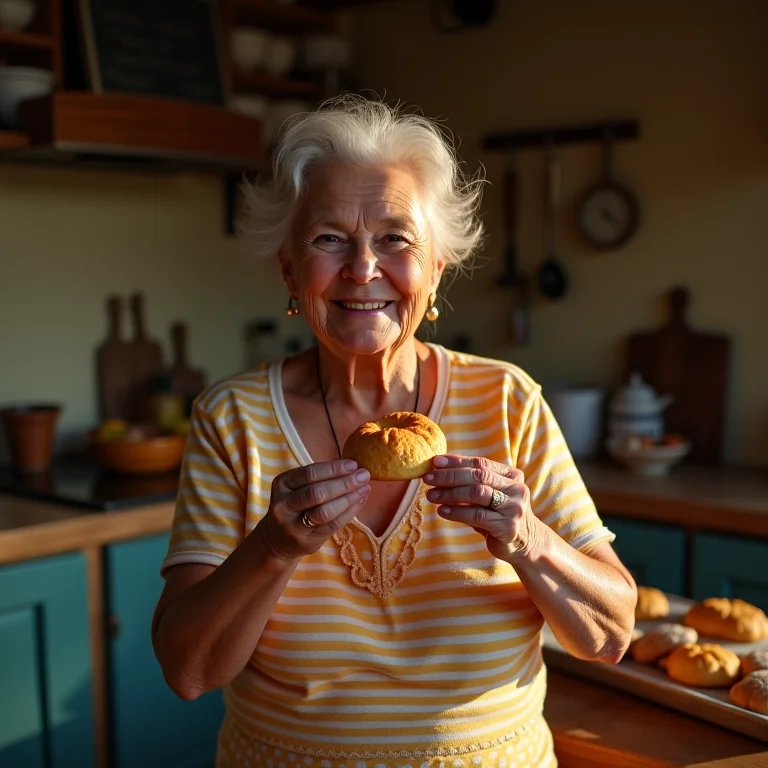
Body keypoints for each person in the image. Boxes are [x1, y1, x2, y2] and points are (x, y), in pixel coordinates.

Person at [152, 95, 637, 768]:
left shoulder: (506, 400)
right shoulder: (232, 419)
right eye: (328, 239)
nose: (362, 268)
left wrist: (529, 539)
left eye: (395, 239)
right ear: (291, 270)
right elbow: (189, 671)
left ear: (436, 269)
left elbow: (611, 633)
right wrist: (273, 547)